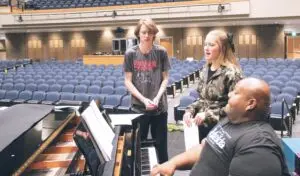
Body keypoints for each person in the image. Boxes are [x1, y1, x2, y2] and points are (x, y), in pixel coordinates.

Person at [151, 78, 290, 176]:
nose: (229, 94)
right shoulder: (231, 120)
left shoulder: (259, 145)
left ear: (250, 104)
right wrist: (172, 163)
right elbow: (207, 148)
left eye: (235, 92)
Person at [123, 18, 170, 163]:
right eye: (144, 32)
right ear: (138, 34)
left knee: (161, 147)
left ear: (154, 34)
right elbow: (128, 81)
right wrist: (144, 100)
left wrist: (156, 98)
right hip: (139, 109)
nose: (147, 35)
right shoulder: (130, 53)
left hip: (159, 108)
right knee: (138, 146)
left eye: (150, 32)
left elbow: (165, 79)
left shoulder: (161, 52)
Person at [184, 30, 242, 142]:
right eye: (205, 44)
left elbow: (236, 107)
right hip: (202, 126)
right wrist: (190, 110)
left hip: (222, 130)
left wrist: (208, 114)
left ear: (222, 48)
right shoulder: (205, 69)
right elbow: (203, 99)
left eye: (211, 45)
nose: (206, 48)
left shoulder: (232, 73)